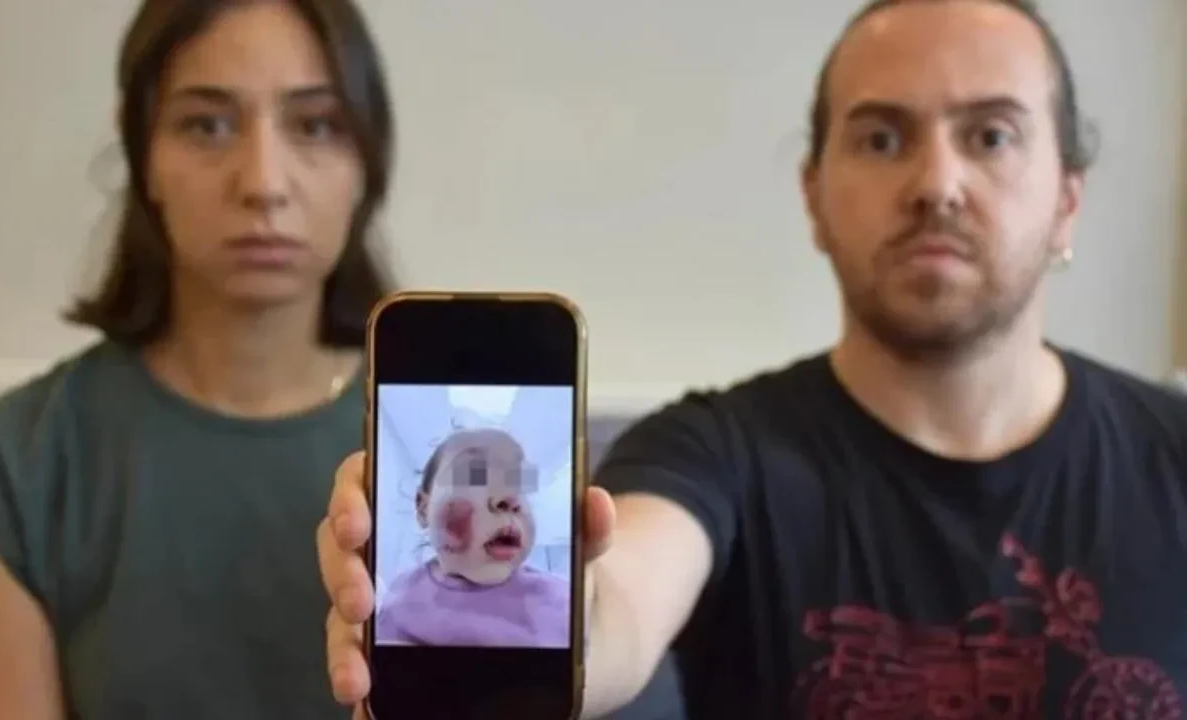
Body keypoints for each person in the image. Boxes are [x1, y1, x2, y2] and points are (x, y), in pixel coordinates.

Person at [321, 0, 1187, 717]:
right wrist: (536, 613)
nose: (936, 184)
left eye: (991, 136)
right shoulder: (711, 452)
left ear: (1068, 198)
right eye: (882, 139)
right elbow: (621, 603)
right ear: (814, 195)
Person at [0, 0, 392, 717]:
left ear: (366, 163)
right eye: (207, 125)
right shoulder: (6, 467)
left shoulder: (438, 443)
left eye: (316, 125)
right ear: (143, 156)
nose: (264, 183)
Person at [376, 428, 569, 648]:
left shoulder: (561, 601)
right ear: (423, 508)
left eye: (519, 484)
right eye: (473, 476)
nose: (511, 499)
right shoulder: (402, 597)